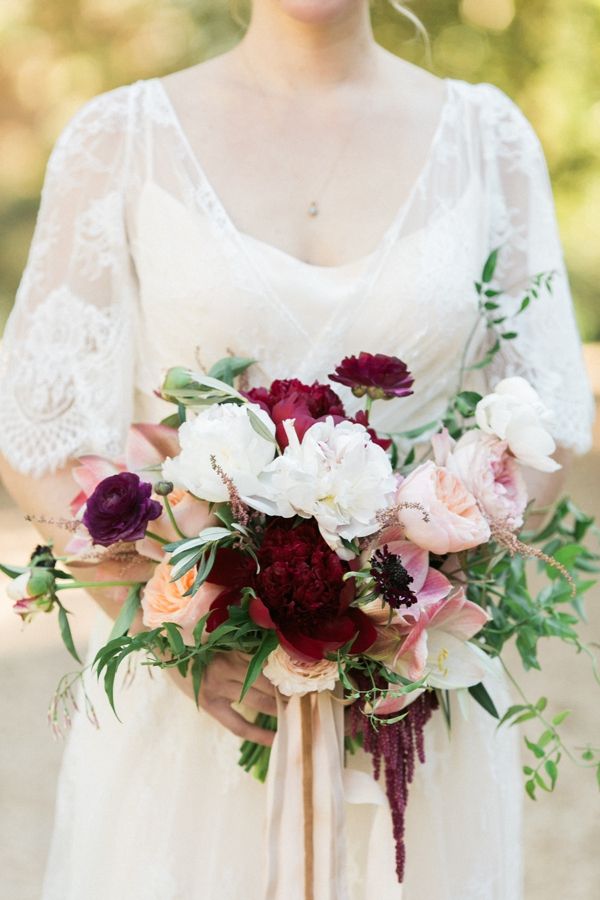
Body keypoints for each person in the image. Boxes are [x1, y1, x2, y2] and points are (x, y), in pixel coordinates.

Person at [0, 1, 594, 897]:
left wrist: (412, 617)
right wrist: (178, 631)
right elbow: (36, 433)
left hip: (415, 719)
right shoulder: (118, 139)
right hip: (196, 714)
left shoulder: (488, 139)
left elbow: (545, 429)